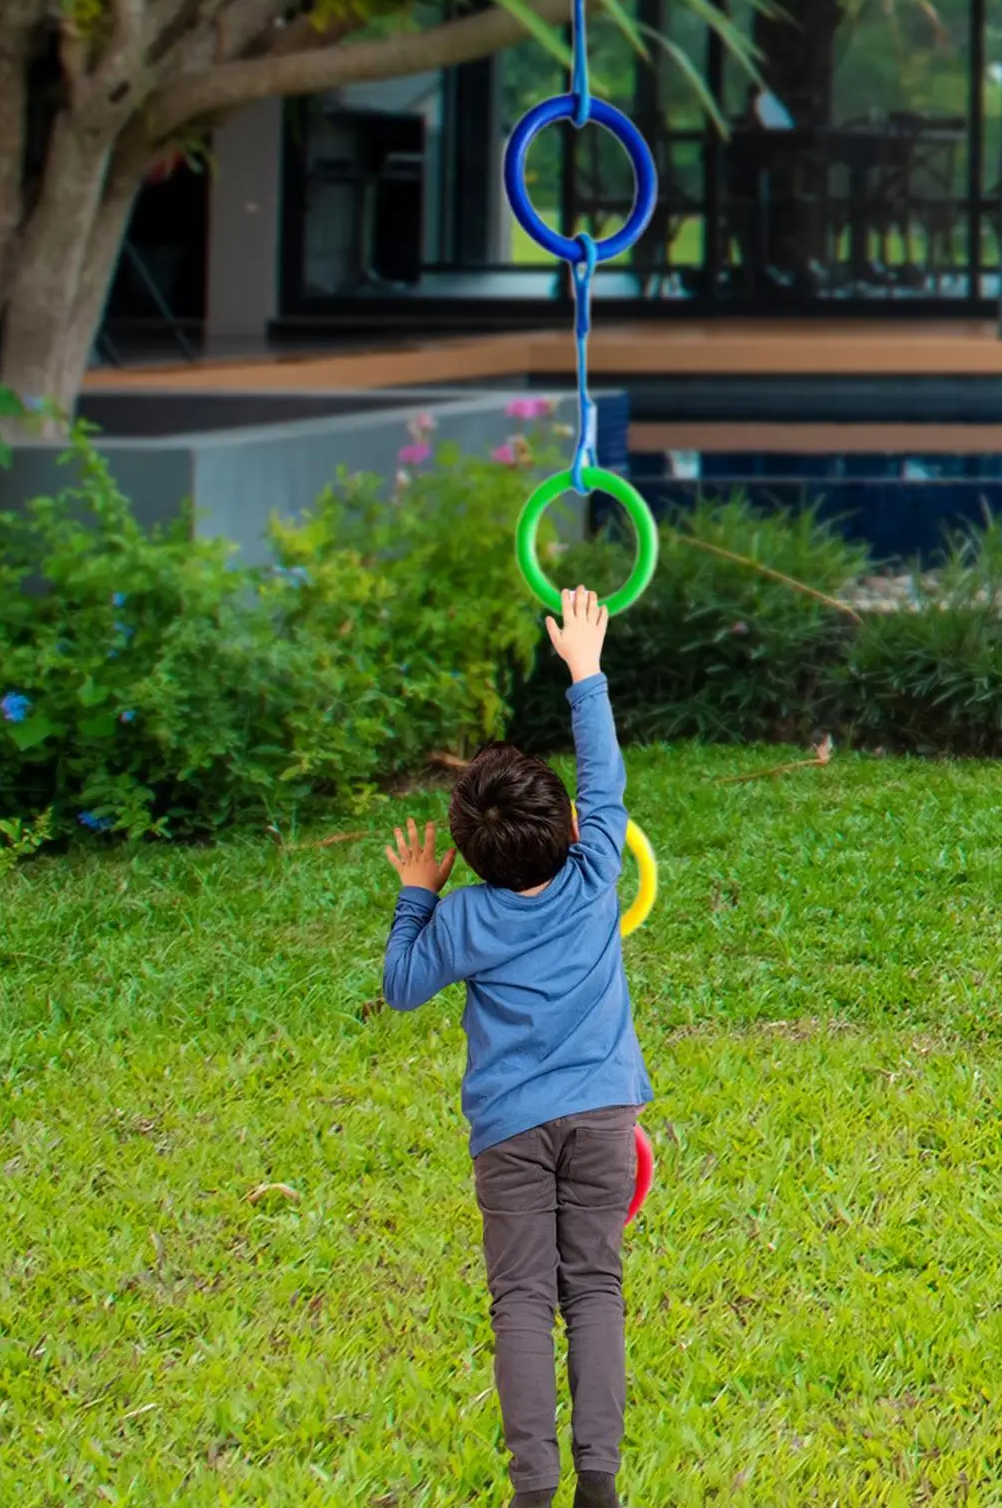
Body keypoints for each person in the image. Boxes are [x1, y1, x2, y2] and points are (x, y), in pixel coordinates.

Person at [383, 585, 653, 1508]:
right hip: (603, 1117)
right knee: (597, 1293)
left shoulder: (463, 922)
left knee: (522, 1305)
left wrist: (419, 892)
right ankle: (600, 1486)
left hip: (509, 1131)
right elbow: (605, 774)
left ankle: (533, 1491)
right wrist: (585, 669)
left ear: (469, 854)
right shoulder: (595, 871)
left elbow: (401, 986)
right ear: (573, 827)